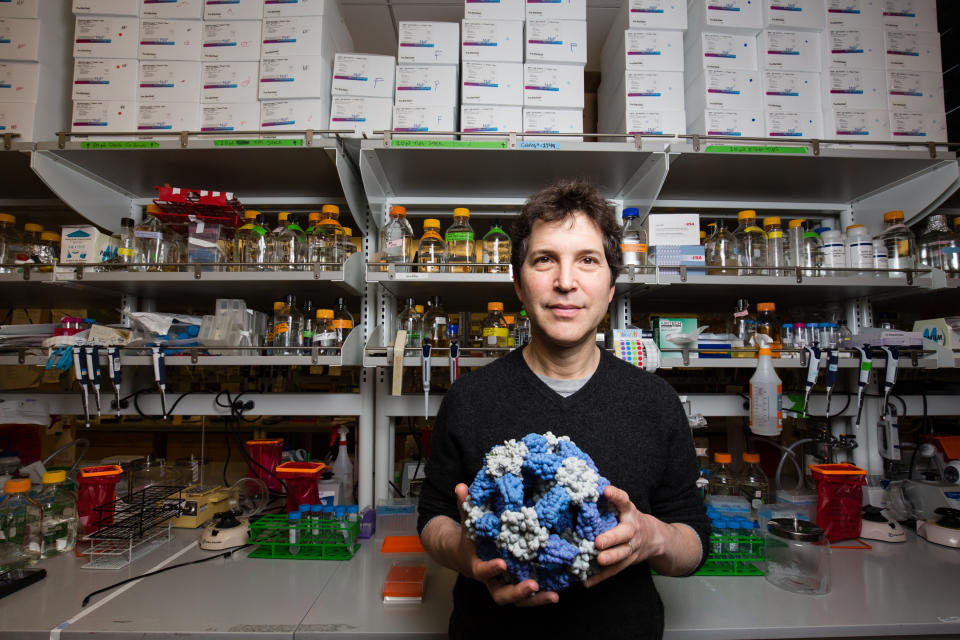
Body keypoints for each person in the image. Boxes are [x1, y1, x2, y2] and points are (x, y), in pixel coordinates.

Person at [417, 178, 710, 639]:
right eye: (544, 260)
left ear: (612, 286)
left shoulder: (656, 402)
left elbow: (693, 539)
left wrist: (652, 537)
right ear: (518, 283)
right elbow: (432, 515)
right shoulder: (469, 398)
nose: (566, 282)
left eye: (588, 261)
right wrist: (465, 554)